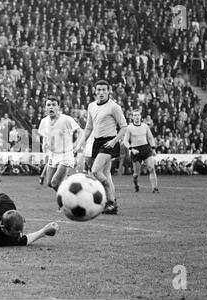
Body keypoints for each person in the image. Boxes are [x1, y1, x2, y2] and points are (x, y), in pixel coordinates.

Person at [74, 80, 128, 215]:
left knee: (95, 171)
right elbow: (88, 128)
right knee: (106, 174)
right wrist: (79, 144)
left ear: (108, 91)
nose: (101, 92)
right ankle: (111, 204)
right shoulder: (91, 106)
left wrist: (115, 141)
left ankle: (110, 202)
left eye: (104, 90)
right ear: (95, 91)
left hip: (109, 142)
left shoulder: (114, 107)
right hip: (97, 142)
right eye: (98, 90)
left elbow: (124, 127)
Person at [38, 96, 82, 191]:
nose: (51, 107)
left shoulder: (66, 119)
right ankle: (70, 192)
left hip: (65, 155)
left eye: (54, 105)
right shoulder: (44, 121)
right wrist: (44, 144)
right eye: (48, 105)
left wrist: (77, 145)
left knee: (55, 182)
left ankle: (65, 201)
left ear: (58, 107)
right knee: (50, 183)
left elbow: (80, 132)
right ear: (45, 107)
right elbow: (45, 136)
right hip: (53, 155)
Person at [123, 109, 160, 193]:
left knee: (151, 168)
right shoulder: (129, 127)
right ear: (132, 117)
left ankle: (155, 188)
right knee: (136, 174)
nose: (136, 117)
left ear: (140, 116)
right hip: (135, 150)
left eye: (138, 115)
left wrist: (153, 148)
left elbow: (150, 138)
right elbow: (125, 141)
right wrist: (131, 149)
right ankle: (136, 184)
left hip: (146, 149)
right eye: (135, 115)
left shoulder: (145, 126)